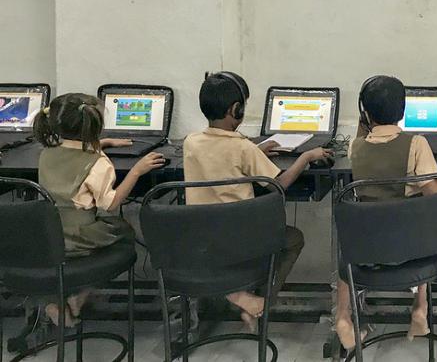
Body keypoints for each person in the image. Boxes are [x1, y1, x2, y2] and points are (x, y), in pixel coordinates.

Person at [183, 71, 332, 331]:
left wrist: (257, 152)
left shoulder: (191, 143)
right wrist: (306, 157)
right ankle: (259, 301)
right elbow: (280, 184)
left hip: (201, 239)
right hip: (241, 240)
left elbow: (223, 157)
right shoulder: (243, 148)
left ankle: (240, 297)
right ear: (236, 110)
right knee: (294, 238)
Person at [334, 75, 437, 349]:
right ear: (404, 111)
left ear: (365, 113)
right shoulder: (416, 143)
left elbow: (362, 139)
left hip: (367, 252)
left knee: (347, 246)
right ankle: (420, 307)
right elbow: (433, 190)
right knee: (421, 223)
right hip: (411, 252)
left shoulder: (354, 146)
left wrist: (364, 120)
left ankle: (343, 317)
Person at [34, 93, 165, 326]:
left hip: (48, 235)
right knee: (125, 234)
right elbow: (111, 203)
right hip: (80, 237)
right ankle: (78, 297)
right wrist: (137, 170)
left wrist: (102, 144)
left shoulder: (46, 153)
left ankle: (61, 302)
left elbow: (72, 153)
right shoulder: (98, 164)